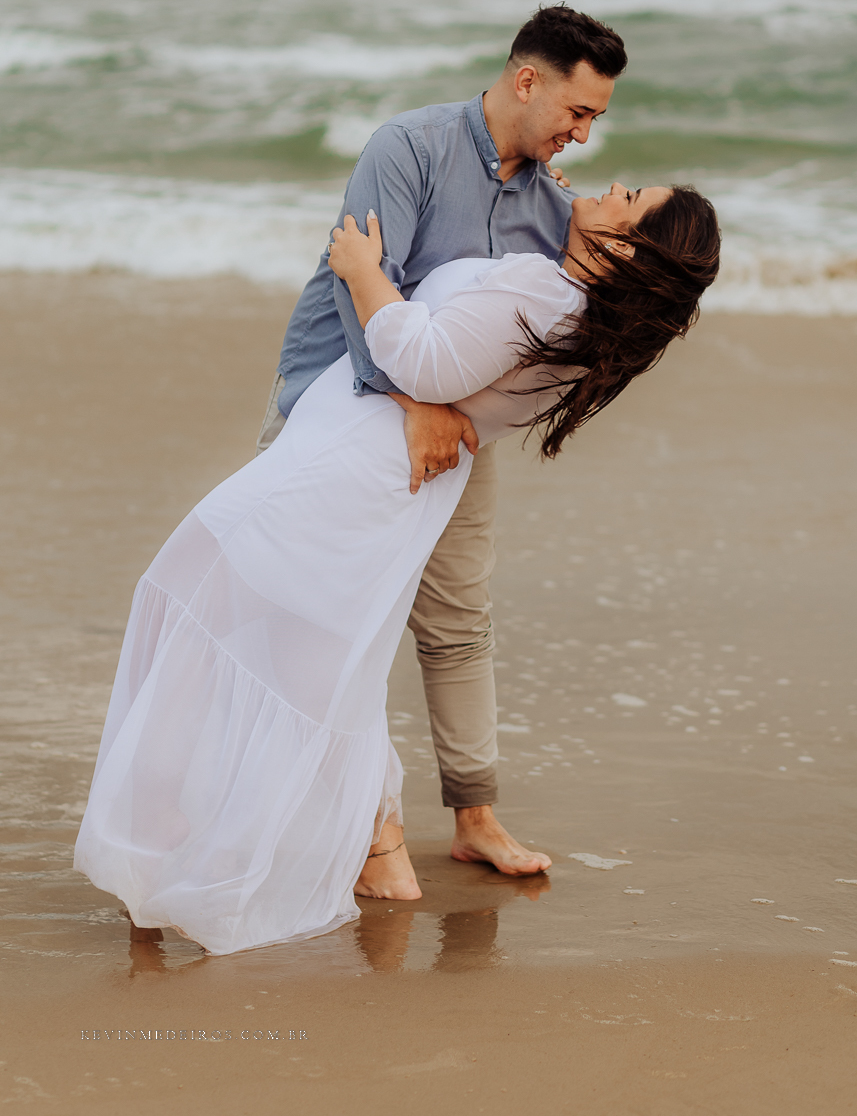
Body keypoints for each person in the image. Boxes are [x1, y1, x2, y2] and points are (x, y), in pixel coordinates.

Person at [74, 180, 720, 955]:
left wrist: (360, 271)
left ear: (622, 245)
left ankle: (169, 827)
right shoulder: (577, 326)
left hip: (338, 474)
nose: (613, 184)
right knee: (305, 658)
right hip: (373, 482)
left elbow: (424, 364)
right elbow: (452, 375)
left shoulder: (544, 292)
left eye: (632, 195)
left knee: (187, 602)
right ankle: (359, 847)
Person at [256, 5, 627, 878]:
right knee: (316, 619)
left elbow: (530, 332)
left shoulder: (554, 208)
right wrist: (409, 402)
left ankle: (474, 816)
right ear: (527, 80)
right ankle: (361, 828)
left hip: (452, 437)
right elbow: (360, 279)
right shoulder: (409, 147)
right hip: (335, 406)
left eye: (594, 120)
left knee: (458, 619)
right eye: (577, 111)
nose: (582, 134)